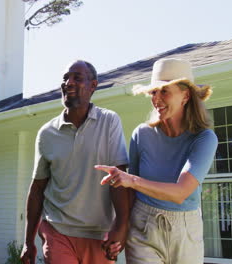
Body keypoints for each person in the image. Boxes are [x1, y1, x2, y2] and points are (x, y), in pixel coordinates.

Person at [95, 58, 218, 264]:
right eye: (153, 92)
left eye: (164, 91)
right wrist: (119, 228)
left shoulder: (204, 138)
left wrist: (131, 180)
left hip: (186, 231)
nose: (156, 99)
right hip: (144, 226)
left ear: (185, 96)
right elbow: (130, 192)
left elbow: (180, 193)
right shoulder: (141, 134)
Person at [20, 60, 133, 264]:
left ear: (93, 86)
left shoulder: (109, 122)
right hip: (58, 232)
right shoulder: (47, 133)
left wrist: (121, 227)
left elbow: (119, 179)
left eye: (77, 78)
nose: (68, 83)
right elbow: (37, 189)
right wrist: (28, 241)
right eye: (65, 78)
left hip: (100, 236)